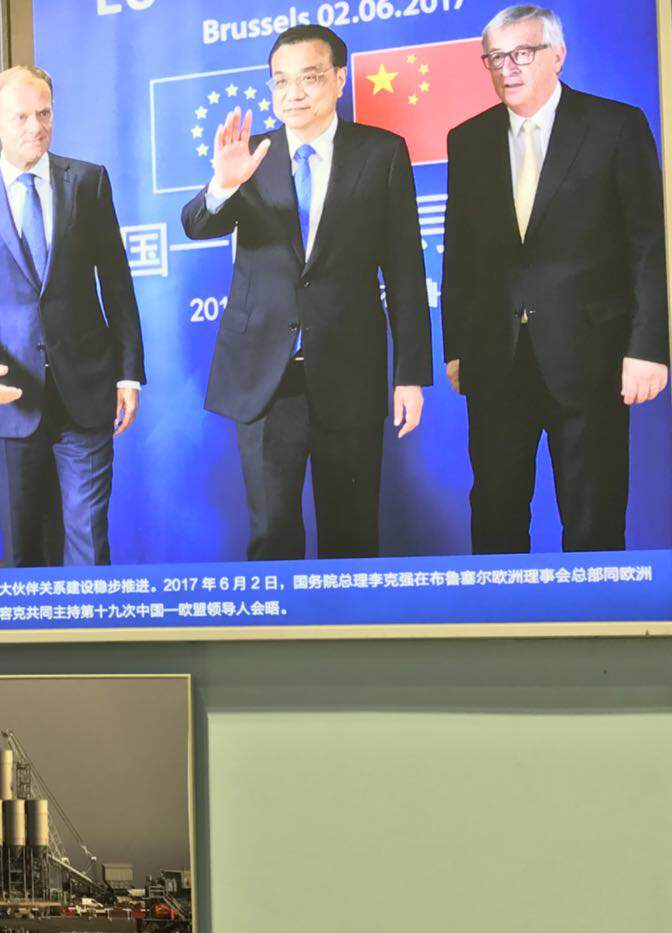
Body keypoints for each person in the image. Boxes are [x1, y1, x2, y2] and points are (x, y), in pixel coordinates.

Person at [181, 25, 431, 560]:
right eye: (281, 81)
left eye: (310, 78)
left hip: (349, 370)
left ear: (339, 79)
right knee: (271, 535)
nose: (294, 93)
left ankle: (355, 642)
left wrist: (410, 374)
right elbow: (196, 225)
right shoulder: (249, 155)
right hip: (267, 380)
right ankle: (274, 643)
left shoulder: (382, 153)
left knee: (352, 533)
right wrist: (223, 185)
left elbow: (407, 272)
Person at [442, 4, 668, 554]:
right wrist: (456, 349)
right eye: (495, 57)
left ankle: (598, 635)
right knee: (494, 513)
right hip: (496, 358)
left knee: (593, 515)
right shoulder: (467, 139)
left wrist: (649, 349)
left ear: (558, 55)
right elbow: (460, 256)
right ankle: (496, 632)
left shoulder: (616, 125)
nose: (508, 68)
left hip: (591, 354)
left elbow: (648, 247)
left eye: (523, 53)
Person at [0, 65, 145, 567]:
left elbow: (117, 284)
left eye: (44, 113)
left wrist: (128, 372)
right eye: (21, 116)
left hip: (86, 391)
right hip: (10, 397)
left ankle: (94, 643)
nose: (36, 127)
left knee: (88, 540)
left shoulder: (88, 182)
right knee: (24, 550)